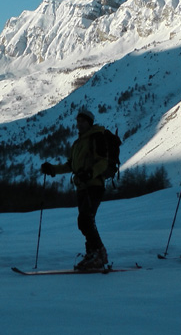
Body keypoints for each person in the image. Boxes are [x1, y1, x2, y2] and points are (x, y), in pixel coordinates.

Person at [41, 108, 110, 270]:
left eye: (82, 121)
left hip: (94, 186)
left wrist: (90, 173)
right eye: (78, 121)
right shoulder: (78, 143)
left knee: (86, 220)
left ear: (89, 122)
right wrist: (53, 169)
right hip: (82, 186)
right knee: (84, 221)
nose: (78, 124)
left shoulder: (97, 137)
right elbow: (70, 165)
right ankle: (93, 253)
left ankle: (99, 254)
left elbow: (103, 162)